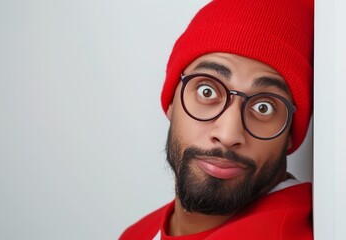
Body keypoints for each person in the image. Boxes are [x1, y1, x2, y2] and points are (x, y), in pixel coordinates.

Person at [120, 0, 314, 239]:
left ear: (291, 134)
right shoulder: (137, 233)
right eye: (207, 91)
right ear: (171, 101)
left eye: (263, 107)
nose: (228, 134)